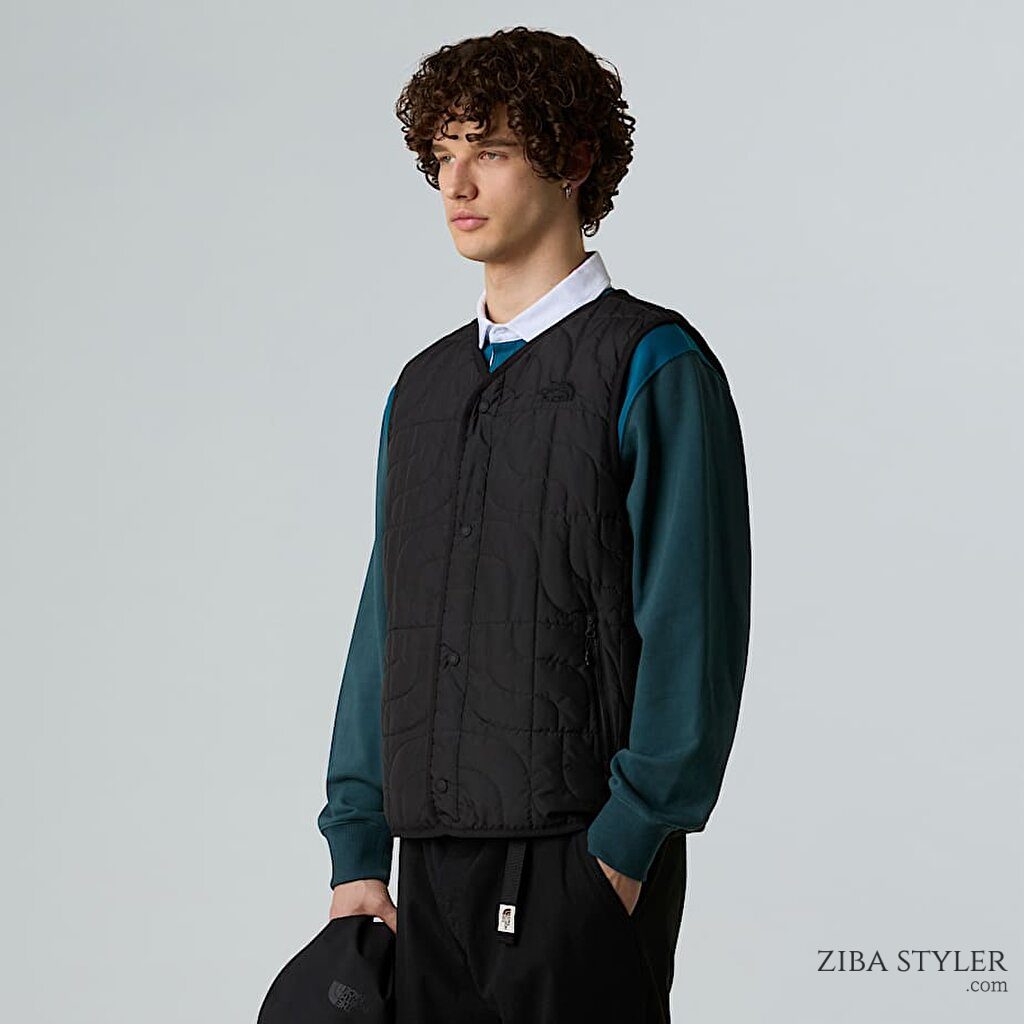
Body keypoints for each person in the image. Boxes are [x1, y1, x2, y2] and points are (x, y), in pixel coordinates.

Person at [316, 26, 752, 1023]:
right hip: (422, 878)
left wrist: (622, 852)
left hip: (576, 862)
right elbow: (386, 626)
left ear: (574, 158)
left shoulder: (652, 365)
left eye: (492, 150)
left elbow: (693, 626)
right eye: (442, 155)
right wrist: (357, 847)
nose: (456, 183)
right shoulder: (422, 392)